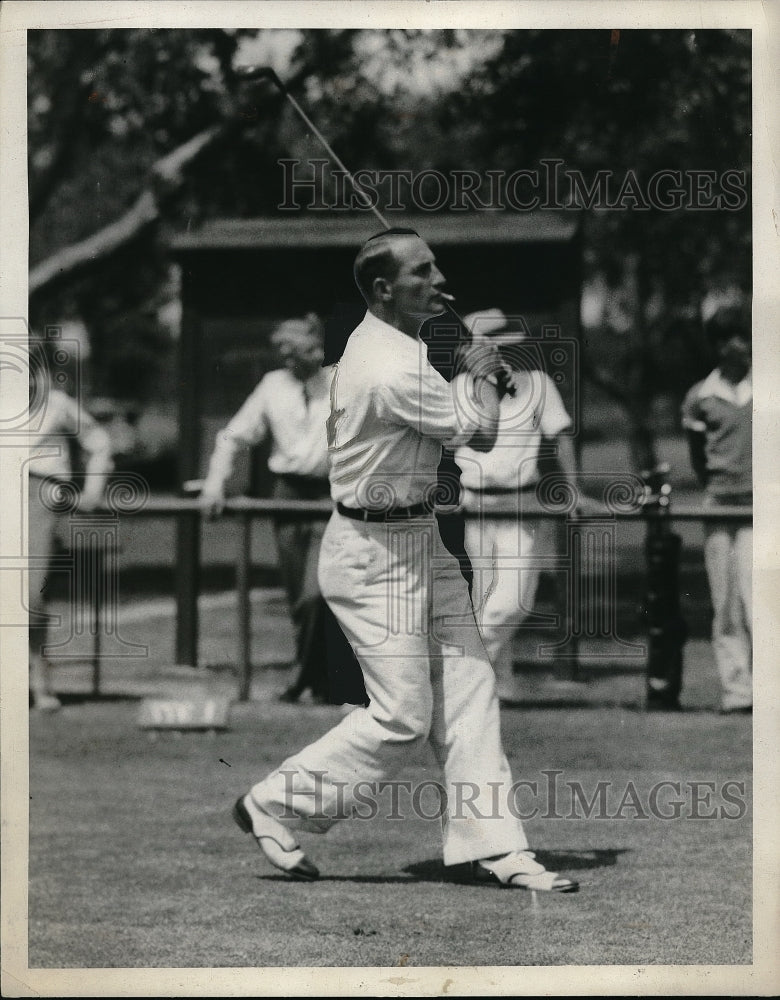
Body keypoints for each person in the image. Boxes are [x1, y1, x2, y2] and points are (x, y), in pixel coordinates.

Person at [230, 228, 579, 892]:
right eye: (424, 272)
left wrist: (472, 371)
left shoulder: (403, 347)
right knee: (403, 718)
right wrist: (479, 374)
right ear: (385, 290)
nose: (442, 280)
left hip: (419, 538)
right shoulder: (386, 364)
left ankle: (493, 846)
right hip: (371, 557)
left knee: (473, 683)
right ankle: (271, 803)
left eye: (437, 267)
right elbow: (476, 433)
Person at [200, 314, 367, 707]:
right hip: (287, 494)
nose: (296, 360)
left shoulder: (344, 380)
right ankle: (318, 683)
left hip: (333, 494)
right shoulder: (273, 386)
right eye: (288, 354)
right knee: (298, 598)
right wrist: (214, 484)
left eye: (304, 351)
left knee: (319, 592)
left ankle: (304, 680)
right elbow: (233, 436)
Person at [454, 309, 580, 704]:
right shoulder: (462, 386)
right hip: (474, 505)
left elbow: (561, 438)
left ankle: (458, 678)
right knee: (486, 599)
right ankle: (497, 687)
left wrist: (571, 490)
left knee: (515, 600)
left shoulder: (538, 385)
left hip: (523, 504)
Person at [27, 352, 113, 710]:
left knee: (29, 594)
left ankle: (39, 682)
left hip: (39, 492)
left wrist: (93, 489)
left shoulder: (58, 404)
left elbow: (99, 442)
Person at [681, 305, 752, 715]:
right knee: (724, 603)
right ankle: (738, 692)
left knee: (760, 598)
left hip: (761, 507)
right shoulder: (701, 396)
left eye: (740, 336)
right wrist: (716, 486)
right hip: (720, 506)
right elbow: (697, 455)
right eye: (725, 339)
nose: (734, 347)